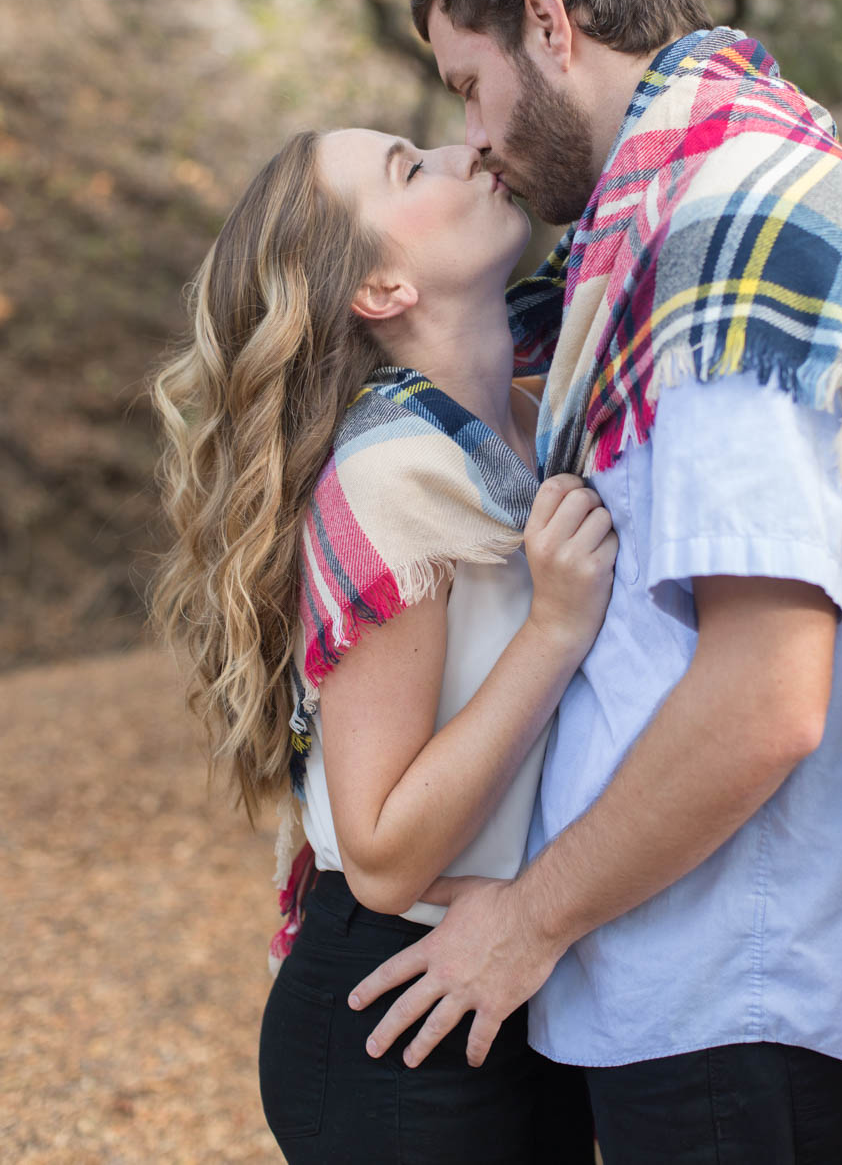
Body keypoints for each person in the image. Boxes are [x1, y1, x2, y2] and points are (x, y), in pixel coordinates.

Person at [347, 0, 842, 1165]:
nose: (473, 134)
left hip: (730, 1015)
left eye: (470, 85)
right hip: (694, 997)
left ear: (550, 20)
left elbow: (766, 698)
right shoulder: (665, 225)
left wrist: (529, 918)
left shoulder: (726, 230)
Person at [149, 126, 611, 1163]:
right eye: (410, 167)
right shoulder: (394, 476)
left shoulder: (537, 427)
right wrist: (554, 627)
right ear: (381, 290)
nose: (461, 151)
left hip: (506, 987)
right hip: (397, 1027)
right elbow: (384, 854)